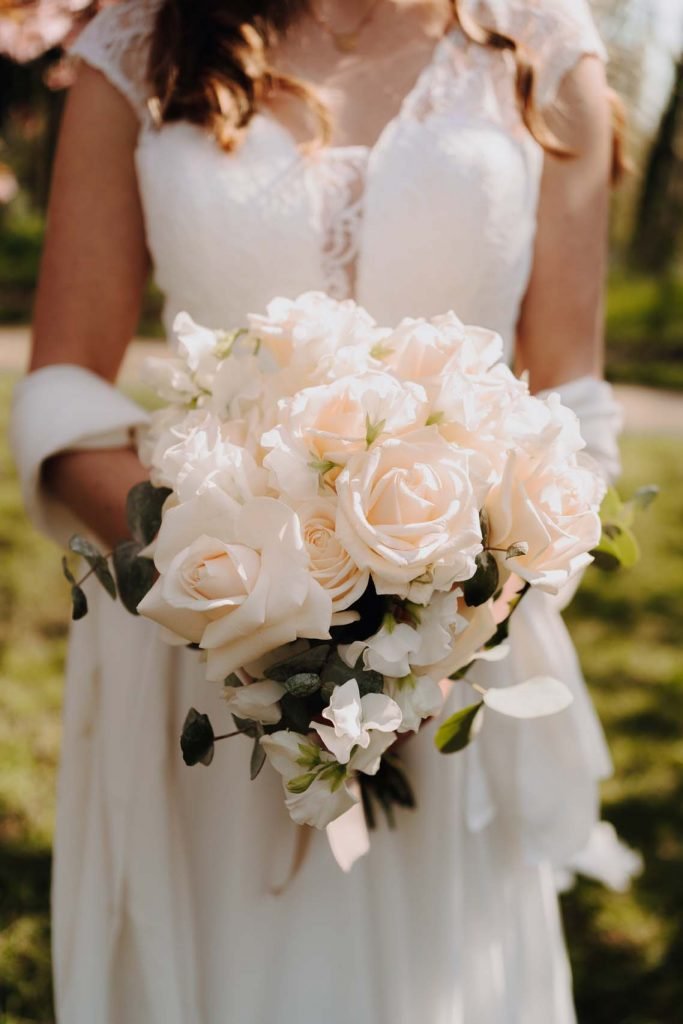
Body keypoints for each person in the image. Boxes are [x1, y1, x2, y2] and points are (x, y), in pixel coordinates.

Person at [10, 0, 633, 1020]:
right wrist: (227, 577)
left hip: (448, 680)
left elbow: (573, 401)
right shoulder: (140, 39)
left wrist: (456, 618)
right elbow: (64, 385)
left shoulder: (540, 47)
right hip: (199, 654)